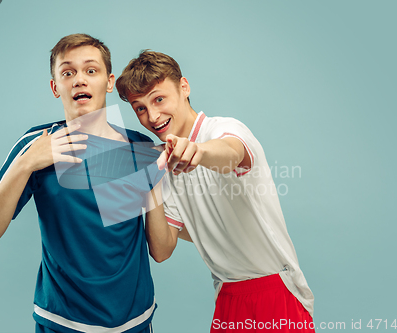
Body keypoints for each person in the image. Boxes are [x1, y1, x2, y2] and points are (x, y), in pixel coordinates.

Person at [0, 34, 163, 333]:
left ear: (109, 82)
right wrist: (26, 163)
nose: (79, 80)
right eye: (67, 73)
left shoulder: (140, 147)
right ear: (55, 87)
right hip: (62, 323)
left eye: (91, 70)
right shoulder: (37, 145)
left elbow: (160, 249)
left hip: (134, 322)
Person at [116, 51, 315, 332]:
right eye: (140, 108)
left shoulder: (223, 129)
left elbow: (232, 153)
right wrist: (148, 185)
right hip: (227, 295)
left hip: (275, 287)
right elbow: (161, 249)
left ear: (184, 87)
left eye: (159, 99)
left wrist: (197, 151)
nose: (153, 116)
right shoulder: (164, 166)